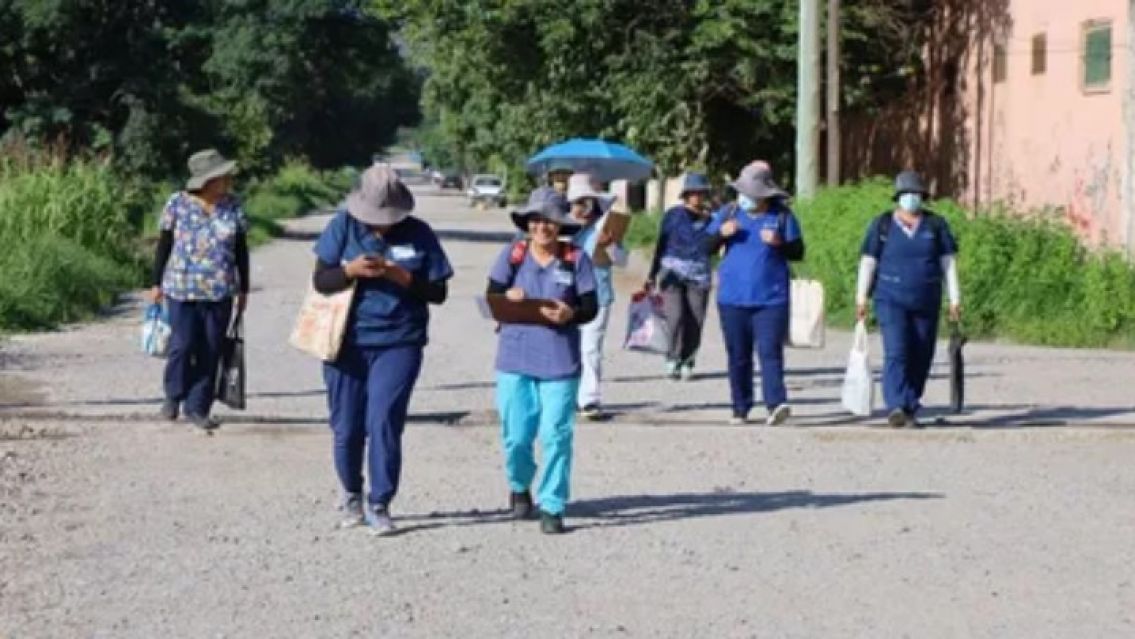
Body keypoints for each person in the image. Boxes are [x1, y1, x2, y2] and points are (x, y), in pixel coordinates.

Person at [311, 164, 454, 535]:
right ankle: (352, 494)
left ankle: (380, 502)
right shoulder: (342, 226)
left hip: (400, 340)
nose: (382, 224)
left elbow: (438, 293)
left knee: (384, 421)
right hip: (345, 341)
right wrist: (350, 271)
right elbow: (321, 280)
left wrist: (401, 276)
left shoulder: (419, 233)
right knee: (346, 426)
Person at [487, 188, 598, 534]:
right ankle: (519, 485)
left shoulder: (576, 258)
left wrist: (571, 312)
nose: (542, 227)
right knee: (517, 435)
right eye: (536, 220)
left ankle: (552, 504)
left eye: (549, 221)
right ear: (528, 224)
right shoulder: (513, 254)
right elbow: (492, 295)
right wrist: (508, 296)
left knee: (556, 435)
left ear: (560, 224)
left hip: (559, 360)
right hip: (515, 357)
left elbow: (590, 307)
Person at [150, 149, 248, 432]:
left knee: (211, 348)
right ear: (207, 180)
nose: (227, 180)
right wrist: (156, 283)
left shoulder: (232, 206)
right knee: (182, 344)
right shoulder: (177, 204)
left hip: (220, 290)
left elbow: (241, 250)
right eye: (222, 176)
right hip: (181, 288)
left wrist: (243, 290)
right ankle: (173, 395)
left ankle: (198, 406)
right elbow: (164, 244)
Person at [855, 170, 961, 428]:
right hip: (890, 299)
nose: (912, 199)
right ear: (898, 198)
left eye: (916, 195)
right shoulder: (882, 225)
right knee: (897, 351)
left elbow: (948, 264)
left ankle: (911, 405)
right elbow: (869, 262)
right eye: (906, 195)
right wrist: (861, 298)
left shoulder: (936, 226)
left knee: (922, 353)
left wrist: (955, 299)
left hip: (927, 299)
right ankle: (896, 405)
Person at [706, 163, 804, 425]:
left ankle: (776, 404)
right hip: (732, 298)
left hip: (771, 298)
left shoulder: (782, 216)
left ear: (764, 195)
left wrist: (779, 242)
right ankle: (740, 407)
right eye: (743, 192)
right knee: (738, 355)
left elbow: (798, 251)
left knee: (770, 351)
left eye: (751, 193)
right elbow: (703, 246)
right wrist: (720, 234)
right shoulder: (729, 213)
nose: (745, 198)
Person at [646, 172, 715, 380]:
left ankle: (688, 360)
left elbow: (713, 246)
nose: (697, 197)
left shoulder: (711, 220)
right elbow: (661, 244)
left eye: (701, 193)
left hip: (699, 275)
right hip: (671, 273)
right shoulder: (673, 215)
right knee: (675, 317)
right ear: (686, 194)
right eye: (693, 193)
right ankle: (672, 356)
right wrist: (652, 273)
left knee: (696, 319)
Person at [567, 173, 622, 419]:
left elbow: (622, 260)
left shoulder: (605, 228)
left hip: (598, 296)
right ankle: (566, 396)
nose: (581, 209)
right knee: (566, 347)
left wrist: (609, 244)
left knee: (590, 349)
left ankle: (589, 399)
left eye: (586, 203)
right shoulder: (558, 229)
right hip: (566, 297)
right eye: (577, 203)